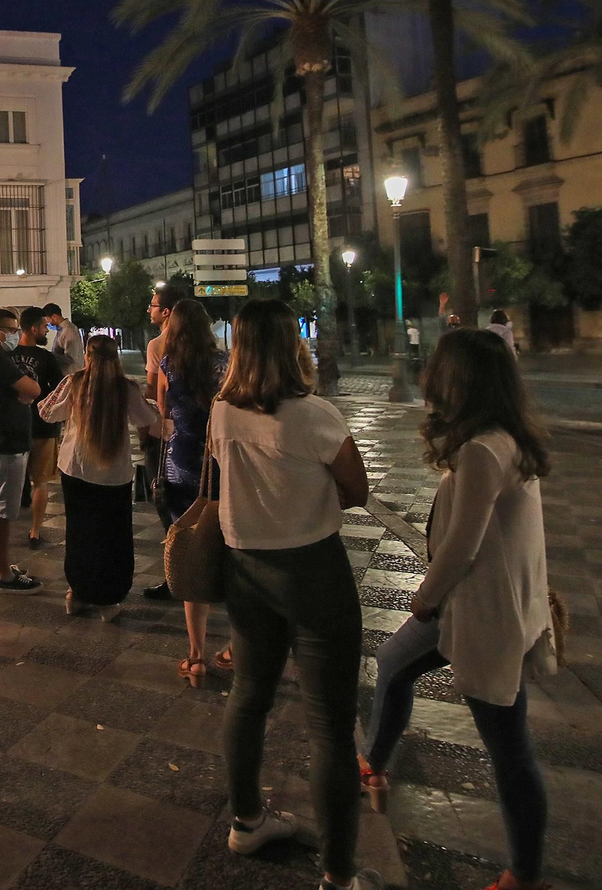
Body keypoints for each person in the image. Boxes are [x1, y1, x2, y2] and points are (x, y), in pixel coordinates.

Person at [358, 329, 554, 890]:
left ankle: (525, 872)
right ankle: (373, 759)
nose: (428, 379)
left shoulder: (483, 452)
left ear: (457, 382)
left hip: (481, 615)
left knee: (509, 748)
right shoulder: (502, 439)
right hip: (482, 608)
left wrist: (425, 597)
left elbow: (461, 547)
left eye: (436, 371)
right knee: (394, 662)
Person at [209, 299, 377, 890]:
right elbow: (355, 489)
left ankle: (246, 819)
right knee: (330, 724)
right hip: (312, 571)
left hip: (245, 568)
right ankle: (338, 871)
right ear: (292, 345)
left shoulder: (222, 410)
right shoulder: (313, 416)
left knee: (249, 694)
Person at [38, 335, 158, 620]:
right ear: (115, 358)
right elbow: (147, 418)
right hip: (114, 475)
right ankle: (109, 599)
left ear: (88, 357)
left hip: (76, 469)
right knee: (113, 536)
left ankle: (77, 592)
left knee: (80, 532)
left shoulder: (74, 383)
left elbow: (45, 411)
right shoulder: (126, 388)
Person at [160, 298, 232, 686]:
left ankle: (197, 655)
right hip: (221, 462)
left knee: (190, 549)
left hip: (183, 461)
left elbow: (165, 412)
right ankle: (237, 645)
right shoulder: (224, 363)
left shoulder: (168, 364)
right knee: (233, 548)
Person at [0, 307, 42, 594]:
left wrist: (24, 394)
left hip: (3, 440)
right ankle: (3, 574)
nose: (16, 336)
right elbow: (34, 389)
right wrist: (26, 394)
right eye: (11, 331)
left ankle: (4, 566)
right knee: (2, 510)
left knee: (2, 507)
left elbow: (26, 392)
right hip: (5, 442)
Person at [141, 284, 186, 600]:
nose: (149, 309)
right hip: (197, 434)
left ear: (166, 311)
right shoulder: (203, 347)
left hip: (168, 432)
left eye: (153, 305)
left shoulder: (158, 345)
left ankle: (177, 575)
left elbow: (155, 392)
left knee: (166, 503)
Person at [10, 306, 63, 549]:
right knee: (40, 481)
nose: (46, 330)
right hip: (43, 425)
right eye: (44, 326)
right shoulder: (46, 358)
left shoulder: (8, 356)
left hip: (16, 424)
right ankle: (34, 531)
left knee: (10, 479)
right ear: (33, 329)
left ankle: (3, 528)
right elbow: (59, 390)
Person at [44, 302, 85, 375]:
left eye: (47, 320)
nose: (47, 324)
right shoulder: (61, 330)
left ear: (54, 316)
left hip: (71, 374)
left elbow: (71, 358)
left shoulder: (69, 330)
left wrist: (50, 356)